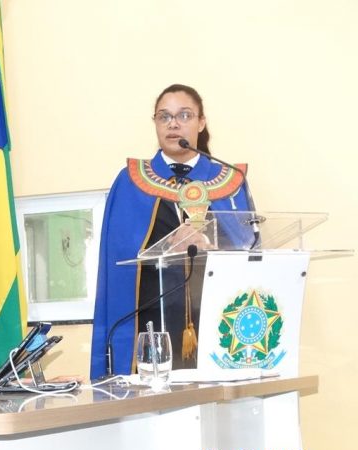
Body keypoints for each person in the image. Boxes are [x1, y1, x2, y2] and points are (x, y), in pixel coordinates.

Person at [90, 84, 256, 378]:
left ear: (201, 123)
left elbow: (249, 249)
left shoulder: (229, 182)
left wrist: (210, 244)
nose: (173, 124)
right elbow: (118, 261)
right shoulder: (130, 183)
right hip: (152, 325)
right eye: (164, 116)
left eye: (184, 115)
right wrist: (167, 246)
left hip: (218, 321)